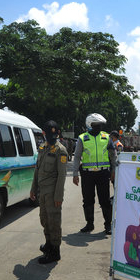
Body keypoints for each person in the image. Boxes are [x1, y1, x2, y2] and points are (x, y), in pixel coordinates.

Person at [30, 120, 68, 264]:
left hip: (53, 194)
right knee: (44, 219)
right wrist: (33, 189)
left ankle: (55, 251)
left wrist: (59, 196)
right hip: (42, 193)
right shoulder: (42, 148)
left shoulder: (60, 150)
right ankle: (48, 243)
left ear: (57, 134)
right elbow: (37, 170)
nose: (52, 138)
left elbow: (62, 176)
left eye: (55, 135)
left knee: (54, 222)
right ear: (44, 134)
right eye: (49, 135)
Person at [72, 113, 116, 235]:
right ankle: (89, 224)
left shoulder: (106, 137)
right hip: (87, 175)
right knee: (88, 200)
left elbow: (113, 155)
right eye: (96, 125)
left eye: (100, 125)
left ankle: (108, 225)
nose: (99, 127)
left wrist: (113, 171)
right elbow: (76, 157)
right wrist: (75, 174)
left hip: (103, 174)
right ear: (89, 125)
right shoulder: (82, 138)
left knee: (105, 200)